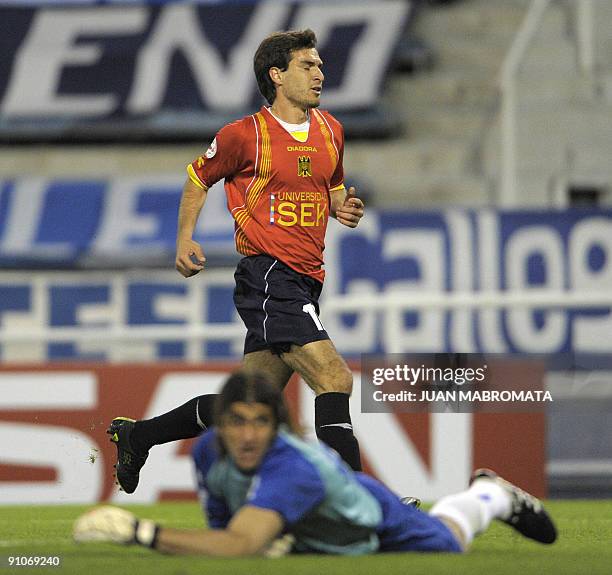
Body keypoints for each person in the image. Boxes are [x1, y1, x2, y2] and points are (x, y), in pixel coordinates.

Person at [107, 28, 367, 495]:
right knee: (334, 377)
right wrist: (184, 238)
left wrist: (343, 206)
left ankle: (138, 437)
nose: (319, 73)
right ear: (277, 75)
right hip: (269, 274)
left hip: (307, 278)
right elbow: (197, 177)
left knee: (248, 404)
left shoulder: (332, 130)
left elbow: (332, 188)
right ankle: (361, 501)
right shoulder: (244, 136)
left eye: (320, 65)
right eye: (307, 66)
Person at [76, 371, 557, 556]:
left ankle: (488, 494)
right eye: (235, 422)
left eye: (259, 424)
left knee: (448, 539)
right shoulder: (207, 452)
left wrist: (141, 533)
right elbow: (226, 529)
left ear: (278, 428)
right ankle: (139, 436)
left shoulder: (293, 468)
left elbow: (239, 544)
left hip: (374, 524)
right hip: (275, 273)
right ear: (218, 426)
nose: (246, 436)